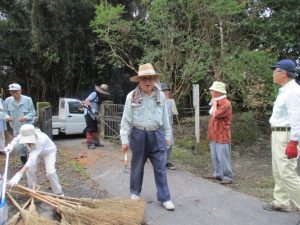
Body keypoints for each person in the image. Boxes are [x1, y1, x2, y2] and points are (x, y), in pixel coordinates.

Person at [120, 63, 175, 211]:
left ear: (154, 80)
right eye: (144, 78)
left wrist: (167, 136)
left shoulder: (161, 95)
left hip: (157, 134)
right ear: (139, 80)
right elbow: (126, 120)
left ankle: (165, 198)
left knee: (160, 167)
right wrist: (124, 140)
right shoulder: (131, 97)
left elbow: (165, 118)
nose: (147, 81)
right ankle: (135, 192)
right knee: (137, 166)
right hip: (138, 134)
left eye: (150, 78)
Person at [263, 59, 300, 212]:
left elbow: (296, 117)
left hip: (287, 136)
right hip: (280, 134)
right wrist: (275, 132)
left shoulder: (293, 91)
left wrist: (294, 141)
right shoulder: (285, 89)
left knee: (287, 173)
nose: (273, 73)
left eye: (275, 70)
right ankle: (281, 202)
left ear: (283, 73)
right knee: (278, 170)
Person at [3, 124, 63, 195]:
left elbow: (31, 160)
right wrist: (10, 146)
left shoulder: (42, 139)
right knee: (29, 170)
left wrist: (19, 174)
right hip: (35, 153)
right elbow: (16, 140)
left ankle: (59, 192)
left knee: (50, 172)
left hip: (48, 152)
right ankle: (32, 189)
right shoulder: (24, 133)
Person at [207, 81, 234, 185]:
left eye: (213, 90)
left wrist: (214, 104)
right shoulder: (217, 101)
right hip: (214, 133)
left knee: (223, 156)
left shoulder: (226, 103)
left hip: (222, 134)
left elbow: (215, 114)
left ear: (218, 92)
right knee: (215, 155)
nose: (211, 92)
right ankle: (218, 174)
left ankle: (228, 176)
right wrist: (214, 102)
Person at [3, 83, 36, 165]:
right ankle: (24, 162)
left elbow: (33, 113)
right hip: (16, 128)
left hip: (28, 127)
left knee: (30, 145)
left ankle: (32, 161)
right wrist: (7, 117)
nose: (13, 94)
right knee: (19, 146)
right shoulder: (8, 100)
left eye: (15, 91)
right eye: (11, 92)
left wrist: (25, 117)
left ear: (20, 91)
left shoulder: (28, 100)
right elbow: (3, 112)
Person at [83, 81, 110, 149]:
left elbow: (97, 106)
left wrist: (98, 113)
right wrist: (92, 109)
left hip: (94, 115)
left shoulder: (99, 97)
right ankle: (89, 144)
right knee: (90, 129)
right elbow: (87, 100)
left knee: (95, 129)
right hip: (88, 113)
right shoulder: (94, 93)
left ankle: (96, 143)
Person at [161, 83, 176, 170]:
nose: (166, 92)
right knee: (163, 145)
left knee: (170, 144)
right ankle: (162, 162)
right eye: (164, 91)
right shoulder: (159, 102)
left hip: (169, 126)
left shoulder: (169, 103)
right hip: (162, 127)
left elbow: (171, 116)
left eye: (167, 91)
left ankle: (167, 161)